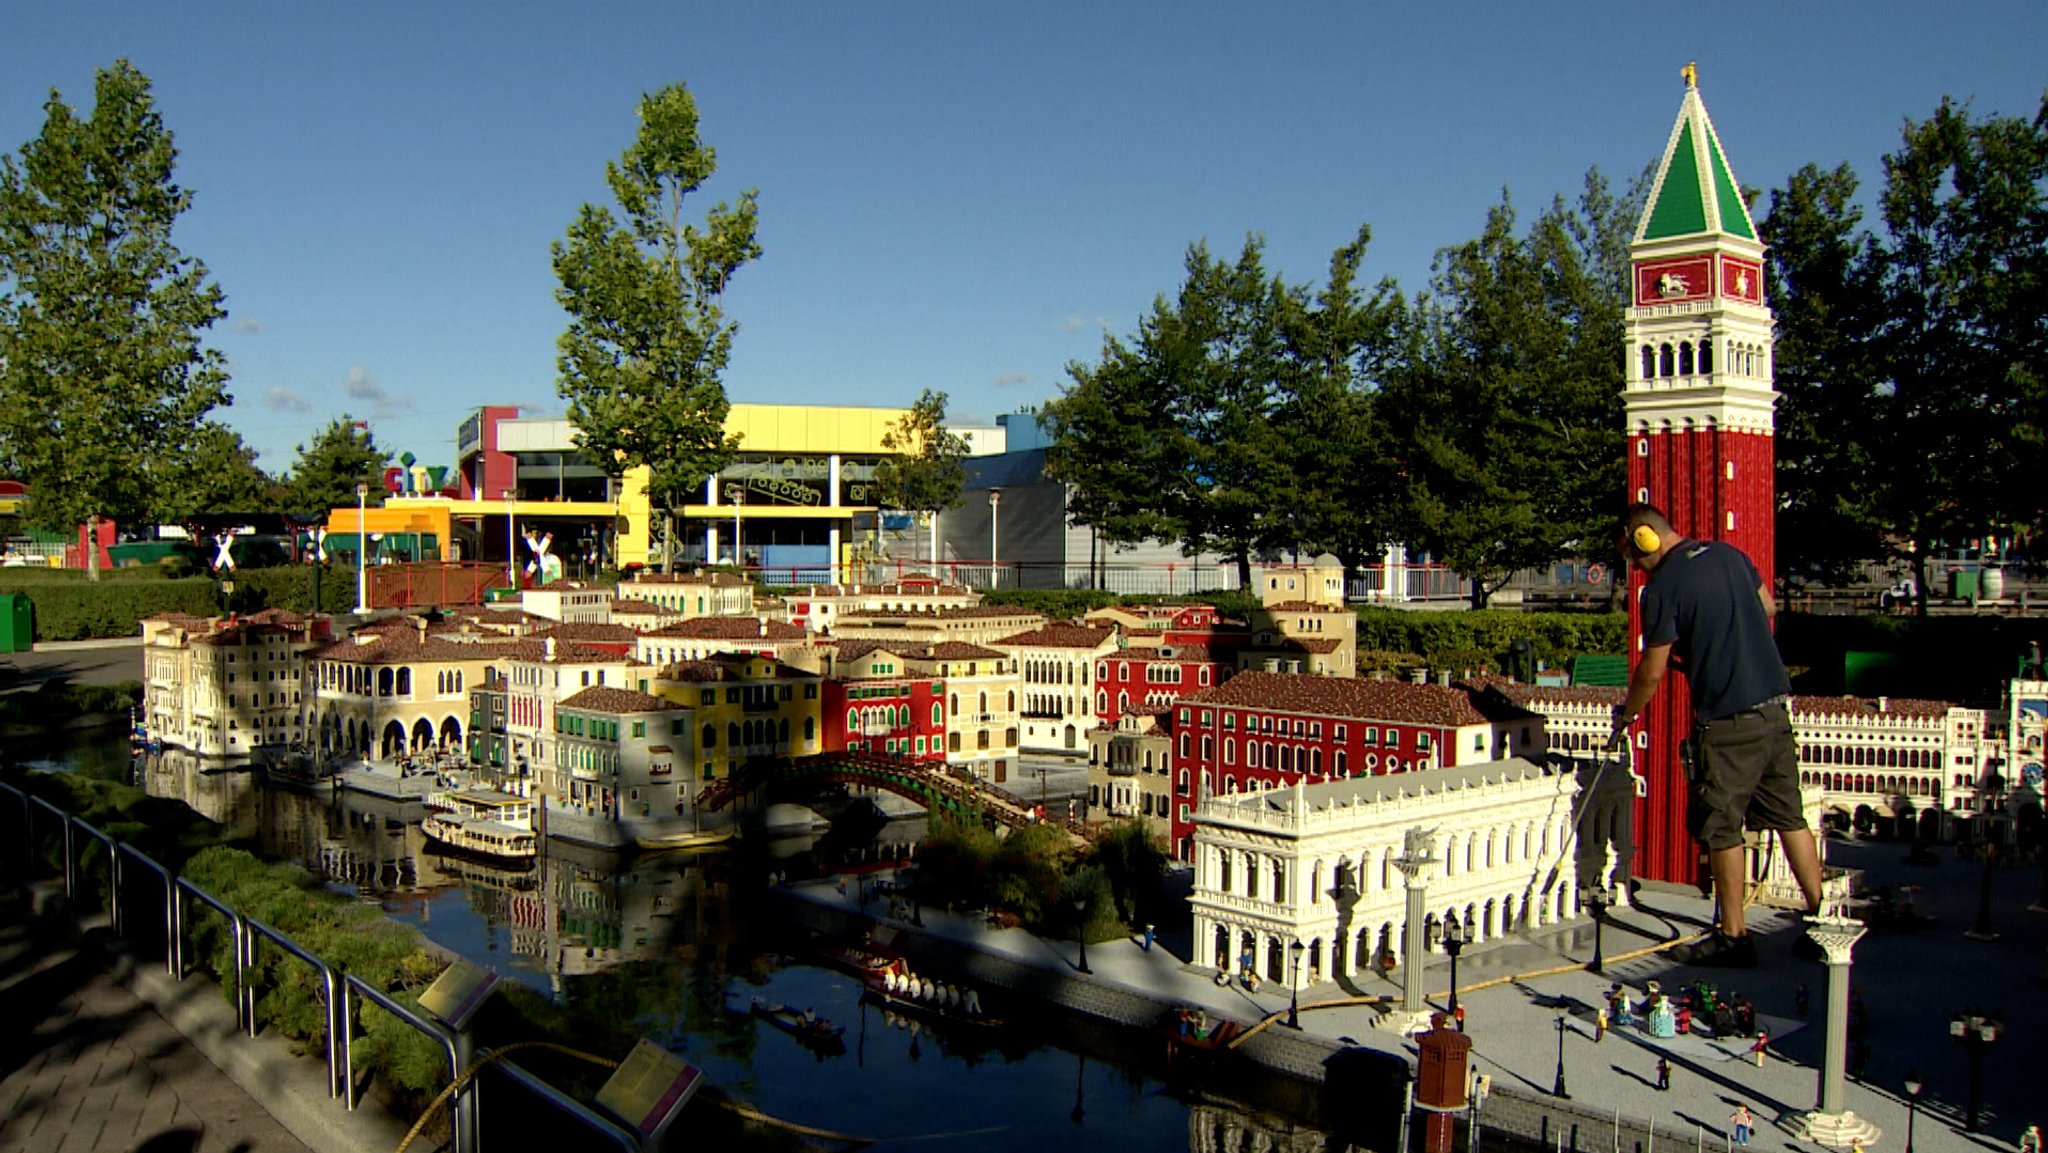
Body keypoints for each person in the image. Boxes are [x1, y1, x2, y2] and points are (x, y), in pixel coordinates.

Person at [1609, 504, 1826, 968]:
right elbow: (1766, 606)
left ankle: (1733, 935)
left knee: (1722, 826)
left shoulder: (1662, 589)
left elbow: (1652, 670)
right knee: (1790, 815)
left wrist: (1628, 715)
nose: (1634, 565)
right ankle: (1820, 917)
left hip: (1727, 721)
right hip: (1774, 709)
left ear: (1643, 538)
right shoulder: (1730, 554)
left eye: (1631, 555)